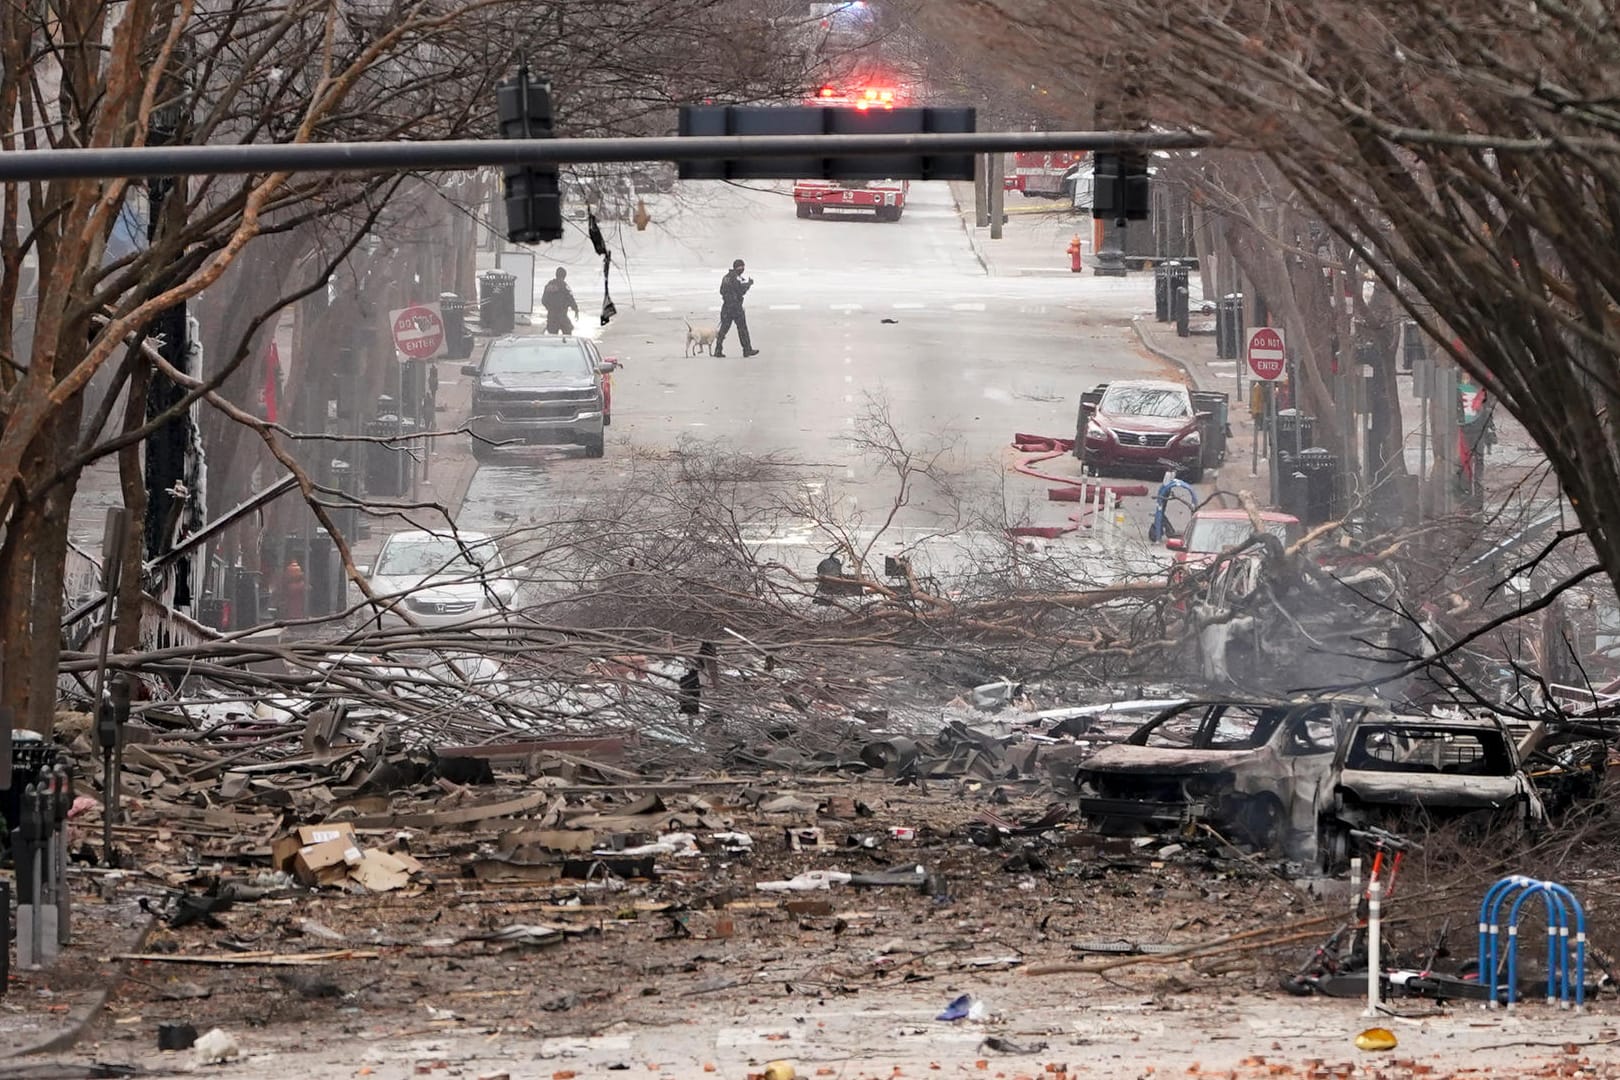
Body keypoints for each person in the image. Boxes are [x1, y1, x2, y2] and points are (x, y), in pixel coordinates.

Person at [714, 259, 759, 358]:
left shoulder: (726, 277)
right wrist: (748, 284)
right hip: (736, 307)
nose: (742, 269)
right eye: (741, 267)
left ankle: (718, 349)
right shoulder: (736, 278)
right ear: (738, 267)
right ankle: (747, 349)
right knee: (742, 328)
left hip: (726, 306)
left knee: (723, 329)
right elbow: (740, 291)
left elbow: (721, 291)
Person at [540, 267, 578, 334]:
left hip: (551, 316)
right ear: (564, 276)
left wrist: (549, 308)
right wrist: (576, 309)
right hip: (562, 316)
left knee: (553, 338)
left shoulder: (548, 286)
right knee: (567, 336)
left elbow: (543, 300)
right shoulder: (564, 286)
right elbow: (571, 299)